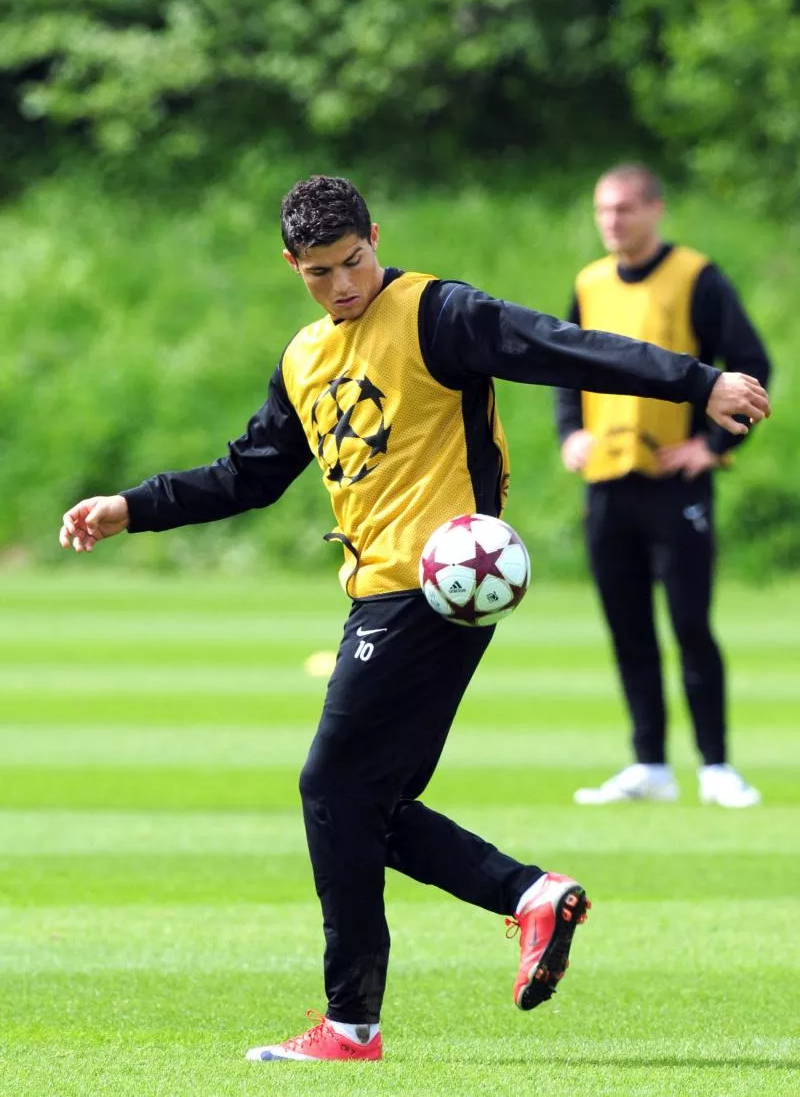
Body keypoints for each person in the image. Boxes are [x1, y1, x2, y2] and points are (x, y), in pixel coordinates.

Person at [60, 175, 770, 1063]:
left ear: (374, 237)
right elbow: (249, 473)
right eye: (319, 272)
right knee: (369, 808)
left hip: (434, 588)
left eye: (353, 261)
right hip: (376, 595)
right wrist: (133, 505)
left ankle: (351, 1023)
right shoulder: (304, 357)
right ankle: (531, 897)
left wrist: (697, 380)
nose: (342, 284)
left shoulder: (437, 312)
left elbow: (562, 347)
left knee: (330, 788)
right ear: (294, 266)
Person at [555, 162, 772, 810]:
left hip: (673, 485)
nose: (612, 221)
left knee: (689, 624)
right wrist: (570, 430)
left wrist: (713, 445)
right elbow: (563, 361)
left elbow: (752, 363)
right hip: (607, 484)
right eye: (603, 210)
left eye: (623, 208)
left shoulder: (695, 277)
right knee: (627, 628)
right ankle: (649, 762)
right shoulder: (589, 283)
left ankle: (716, 766)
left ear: (655, 209)